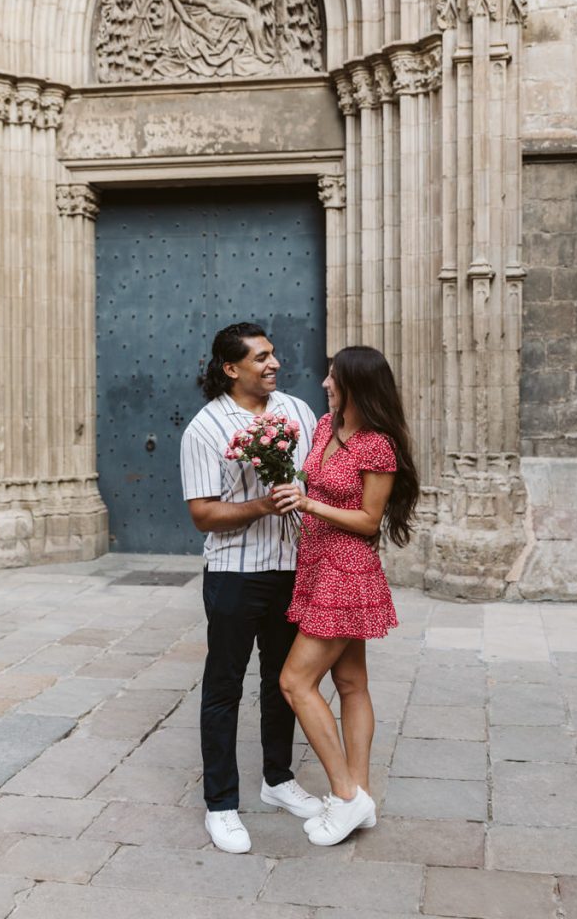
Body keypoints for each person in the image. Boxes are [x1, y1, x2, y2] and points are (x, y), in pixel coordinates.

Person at [180, 322, 323, 853]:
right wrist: (265, 503)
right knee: (224, 688)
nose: (274, 364)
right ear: (230, 368)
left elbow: (315, 478)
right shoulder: (205, 428)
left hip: (294, 568)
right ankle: (221, 804)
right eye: (261, 357)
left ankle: (278, 780)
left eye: (274, 354)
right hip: (236, 574)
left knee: (284, 681)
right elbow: (203, 514)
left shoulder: (298, 411)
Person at [271, 346, 419, 846]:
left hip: (345, 571)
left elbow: (369, 521)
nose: (325, 383)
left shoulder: (378, 445)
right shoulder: (322, 429)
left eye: (333, 377)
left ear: (355, 383)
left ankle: (344, 794)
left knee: (294, 681)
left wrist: (309, 501)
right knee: (351, 682)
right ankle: (363, 798)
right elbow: (312, 485)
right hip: (315, 565)